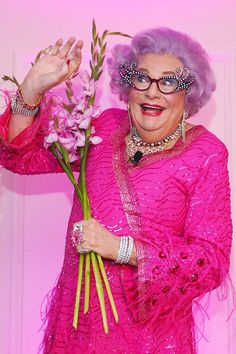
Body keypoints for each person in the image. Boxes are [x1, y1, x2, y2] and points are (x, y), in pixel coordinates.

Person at [0, 27, 233, 354]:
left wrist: (121, 248)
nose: (153, 92)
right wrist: (31, 91)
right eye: (142, 78)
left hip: (150, 338)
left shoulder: (206, 154)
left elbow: (211, 263)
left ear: (188, 92)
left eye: (168, 82)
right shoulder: (102, 127)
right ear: (129, 84)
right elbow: (21, 156)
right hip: (76, 328)